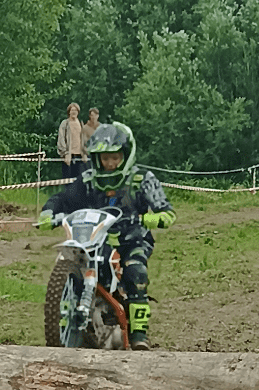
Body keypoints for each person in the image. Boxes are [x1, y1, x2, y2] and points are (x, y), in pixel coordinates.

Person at [37, 121, 175, 350]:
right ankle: (73, 311)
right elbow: (64, 198)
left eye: (114, 157)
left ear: (125, 155)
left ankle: (140, 334)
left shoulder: (141, 179)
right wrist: (49, 212)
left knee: (135, 270)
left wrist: (152, 218)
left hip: (133, 237)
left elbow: (166, 211)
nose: (110, 163)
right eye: (105, 158)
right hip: (96, 236)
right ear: (97, 158)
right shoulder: (89, 180)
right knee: (72, 260)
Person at [56, 103, 85, 179]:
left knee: (79, 180)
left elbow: (84, 140)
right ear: (69, 112)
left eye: (75, 110)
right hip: (69, 155)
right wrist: (65, 154)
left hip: (79, 156)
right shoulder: (65, 123)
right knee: (68, 180)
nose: (74, 112)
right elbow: (61, 139)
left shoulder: (81, 124)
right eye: (72, 110)